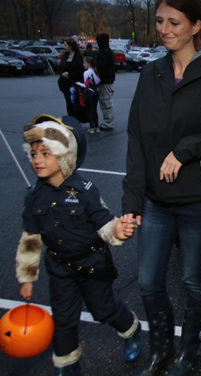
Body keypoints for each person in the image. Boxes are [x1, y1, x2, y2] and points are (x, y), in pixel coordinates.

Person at [121, 1, 201, 375]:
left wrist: (188, 150)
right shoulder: (151, 73)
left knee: (193, 279)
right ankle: (161, 350)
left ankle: (189, 350)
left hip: (199, 201)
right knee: (147, 282)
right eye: (159, 21)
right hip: (156, 200)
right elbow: (135, 139)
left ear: (195, 26)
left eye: (174, 22)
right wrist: (131, 202)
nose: (164, 28)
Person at [16, 114, 142, 376]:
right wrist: (27, 277)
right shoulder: (34, 197)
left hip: (92, 264)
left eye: (45, 153)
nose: (37, 160)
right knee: (63, 318)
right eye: (34, 153)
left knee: (103, 309)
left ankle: (130, 328)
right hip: (59, 268)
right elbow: (31, 237)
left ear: (64, 155)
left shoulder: (84, 190)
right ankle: (68, 364)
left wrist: (118, 230)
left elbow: (104, 223)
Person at [57, 39, 85, 120]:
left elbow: (80, 70)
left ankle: (77, 119)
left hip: (75, 83)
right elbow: (60, 68)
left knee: (75, 102)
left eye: (66, 45)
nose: (64, 47)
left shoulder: (78, 57)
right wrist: (62, 74)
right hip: (65, 84)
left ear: (71, 46)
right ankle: (71, 118)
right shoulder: (64, 56)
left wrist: (70, 74)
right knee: (68, 102)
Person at [96, 33, 115, 131]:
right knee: (105, 102)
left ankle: (108, 122)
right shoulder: (107, 51)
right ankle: (107, 121)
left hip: (105, 81)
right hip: (107, 80)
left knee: (106, 102)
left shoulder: (104, 52)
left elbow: (101, 67)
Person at [77, 56, 101, 133]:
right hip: (96, 92)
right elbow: (97, 82)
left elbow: (86, 85)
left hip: (90, 92)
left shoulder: (86, 73)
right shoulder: (95, 71)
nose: (83, 64)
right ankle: (97, 127)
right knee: (95, 110)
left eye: (84, 63)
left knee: (90, 110)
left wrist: (79, 83)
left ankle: (92, 127)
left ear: (89, 63)